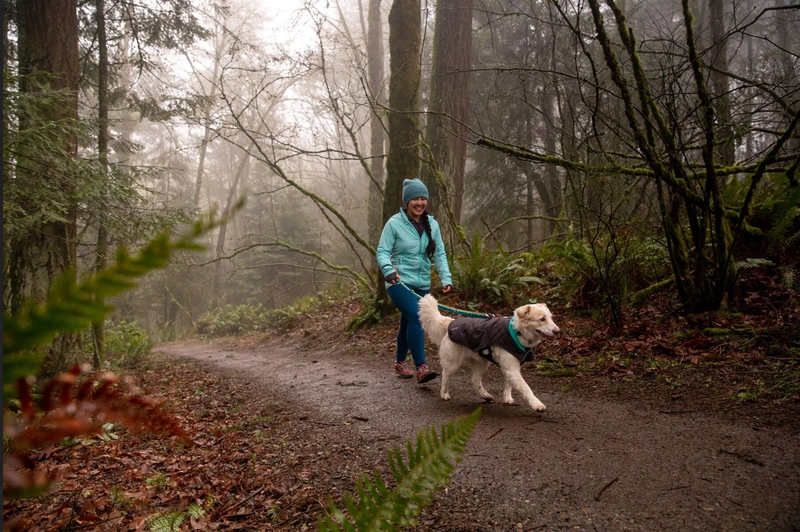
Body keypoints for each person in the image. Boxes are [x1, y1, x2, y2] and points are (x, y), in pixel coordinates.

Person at [376, 178, 453, 383]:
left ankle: (400, 362)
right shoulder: (394, 223)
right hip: (398, 282)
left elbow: (439, 254)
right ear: (406, 201)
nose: (419, 203)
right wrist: (388, 271)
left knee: (407, 320)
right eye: (415, 199)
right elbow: (383, 251)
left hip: (422, 283)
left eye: (423, 198)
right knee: (416, 316)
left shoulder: (432, 224)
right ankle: (422, 367)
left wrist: (446, 277)